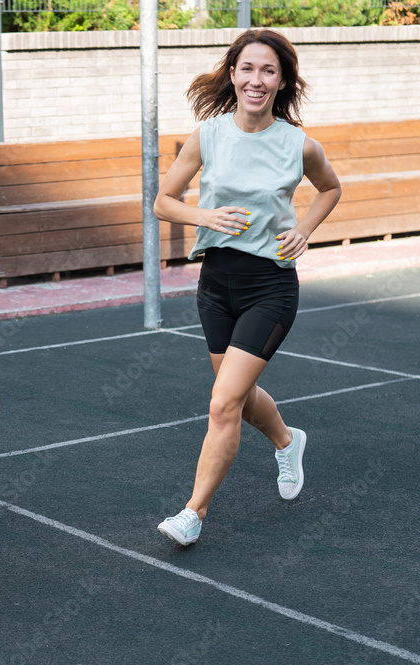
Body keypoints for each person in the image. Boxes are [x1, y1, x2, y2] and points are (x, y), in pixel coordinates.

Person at [153, 29, 341, 546]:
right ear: (232, 73)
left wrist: (304, 229)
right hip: (215, 283)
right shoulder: (207, 135)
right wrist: (204, 214)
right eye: (248, 69)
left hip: (270, 286)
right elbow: (163, 201)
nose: (256, 80)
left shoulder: (298, 144)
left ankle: (193, 513)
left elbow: (330, 188)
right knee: (238, 394)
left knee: (222, 403)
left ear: (281, 83)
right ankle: (287, 440)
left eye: (269, 72)